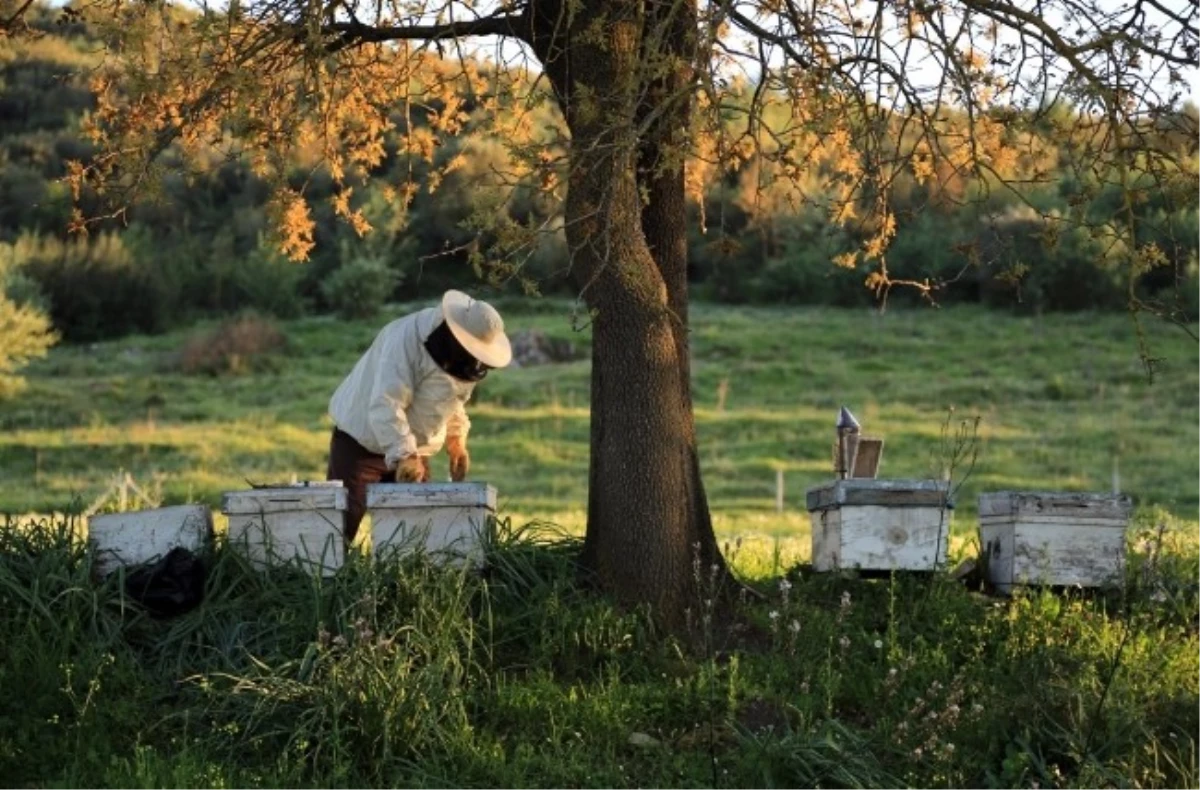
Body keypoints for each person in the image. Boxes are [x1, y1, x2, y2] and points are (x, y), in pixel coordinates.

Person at [326, 290, 512, 542]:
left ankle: (398, 582)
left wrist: (457, 442)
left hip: (415, 453)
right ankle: (332, 581)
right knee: (339, 533)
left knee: (414, 537)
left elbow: (453, 400)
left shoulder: (464, 361)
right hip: (361, 444)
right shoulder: (405, 340)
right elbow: (386, 402)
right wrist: (405, 454)